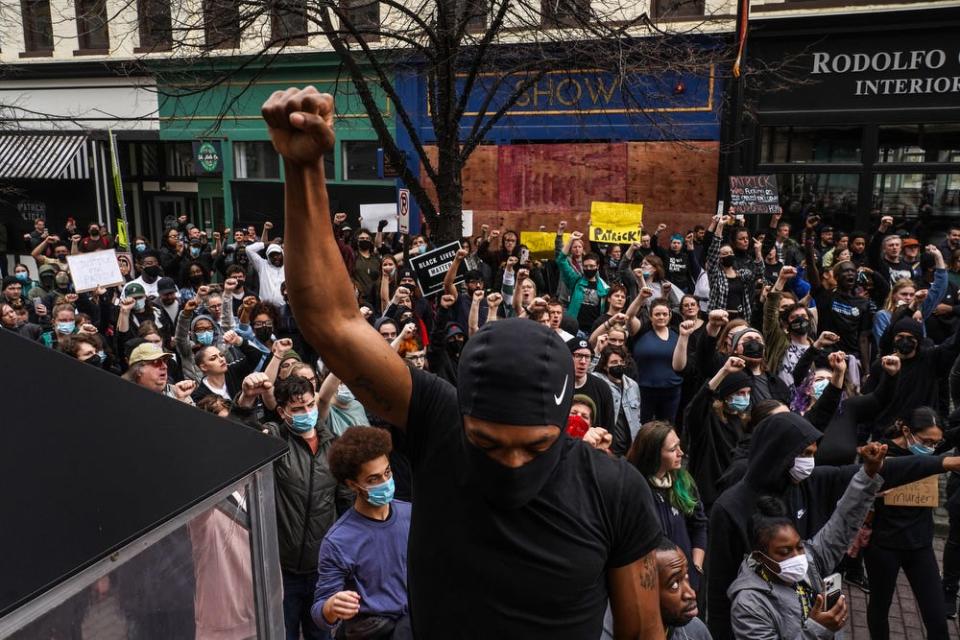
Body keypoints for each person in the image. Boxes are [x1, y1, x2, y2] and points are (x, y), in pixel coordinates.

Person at [262, 87, 664, 639]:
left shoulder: (614, 491)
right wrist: (304, 168)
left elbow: (643, 634)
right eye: (488, 443)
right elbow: (332, 322)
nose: (514, 464)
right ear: (463, 418)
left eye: (537, 445)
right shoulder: (435, 424)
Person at [706, 410, 960, 640]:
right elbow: (718, 592)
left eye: (814, 454)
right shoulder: (730, 510)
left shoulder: (807, 487)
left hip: (818, 603)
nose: (810, 463)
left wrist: (942, 463)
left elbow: (842, 524)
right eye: (804, 455)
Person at [728, 442, 886, 640]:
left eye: (799, 547)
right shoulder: (749, 604)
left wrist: (868, 474)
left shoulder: (810, 559)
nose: (798, 557)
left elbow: (842, 524)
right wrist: (818, 629)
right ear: (760, 557)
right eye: (784, 552)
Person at [264, 375, 350, 640]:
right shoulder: (276, 439)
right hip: (283, 569)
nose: (307, 413)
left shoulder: (334, 446)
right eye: (298, 409)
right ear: (282, 411)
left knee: (321, 633)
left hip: (322, 569)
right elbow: (239, 432)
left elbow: (346, 503)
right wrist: (245, 401)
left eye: (310, 405)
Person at [312, 427, 413, 638]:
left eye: (387, 473)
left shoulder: (410, 514)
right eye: (374, 479)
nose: (385, 483)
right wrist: (332, 607)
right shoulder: (338, 541)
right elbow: (320, 610)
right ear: (352, 485)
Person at [865, 407, 950, 640]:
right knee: (880, 607)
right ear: (906, 431)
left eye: (936, 443)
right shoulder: (880, 452)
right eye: (926, 441)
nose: (931, 448)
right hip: (884, 544)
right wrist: (873, 491)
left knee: (937, 617)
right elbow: (855, 487)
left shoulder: (929, 454)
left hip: (920, 544)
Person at [628, 422, 708, 591]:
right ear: (653, 455)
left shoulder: (683, 481)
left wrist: (696, 566)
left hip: (688, 582)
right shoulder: (634, 491)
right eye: (673, 450)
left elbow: (699, 524)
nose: (681, 453)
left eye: (679, 446)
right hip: (655, 586)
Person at [632, 298, 683, 423]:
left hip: (672, 390)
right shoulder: (641, 331)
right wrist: (640, 297)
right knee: (644, 425)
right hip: (645, 389)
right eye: (657, 314)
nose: (661, 317)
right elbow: (629, 317)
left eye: (665, 314)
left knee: (667, 426)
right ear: (650, 316)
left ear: (670, 315)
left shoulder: (678, 335)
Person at [594, 345, 642, 456]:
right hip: (609, 447)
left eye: (621, 362)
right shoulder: (599, 383)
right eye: (614, 362)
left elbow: (637, 417)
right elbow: (586, 375)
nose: (619, 365)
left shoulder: (633, 385)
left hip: (630, 447)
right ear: (605, 366)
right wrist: (596, 351)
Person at [558, 231, 610, 332]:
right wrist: (571, 239)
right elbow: (561, 260)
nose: (588, 269)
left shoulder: (604, 288)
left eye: (592, 266)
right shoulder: (575, 280)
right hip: (574, 330)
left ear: (597, 267)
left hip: (594, 331)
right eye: (586, 266)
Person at [568, 336, 616, 432]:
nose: (583, 361)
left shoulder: (602, 387)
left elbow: (609, 427)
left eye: (587, 357)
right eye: (578, 356)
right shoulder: (557, 385)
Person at [245, 241, 286, 307]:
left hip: (284, 308)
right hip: (265, 307)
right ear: (268, 256)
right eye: (272, 255)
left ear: (282, 254)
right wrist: (269, 243)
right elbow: (248, 249)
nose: (275, 257)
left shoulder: (288, 267)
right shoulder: (262, 265)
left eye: (278, 254)